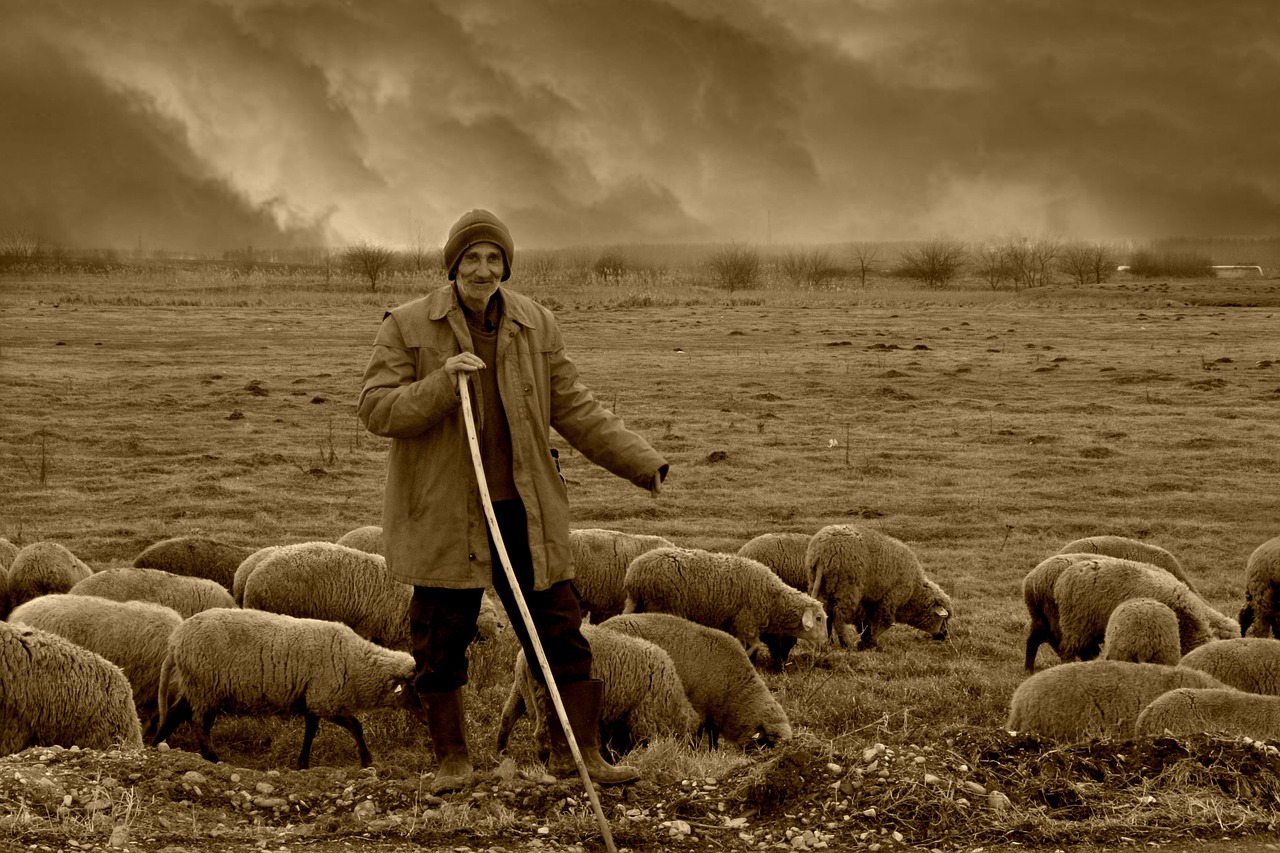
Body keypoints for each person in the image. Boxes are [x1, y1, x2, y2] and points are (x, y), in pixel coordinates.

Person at [357, 209, 668, 792]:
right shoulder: (407, 326)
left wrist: (639, 461)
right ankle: (452, 762)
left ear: (506, 265)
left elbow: (575, 406)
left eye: (493, 259)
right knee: (441, 640)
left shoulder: (535, 324)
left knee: (560, 631)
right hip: (448, 512)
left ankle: (578, 757)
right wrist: (442, 385)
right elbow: (376, 409)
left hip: (525, 510)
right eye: (471, 258)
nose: (483, 269)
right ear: (453, 265)